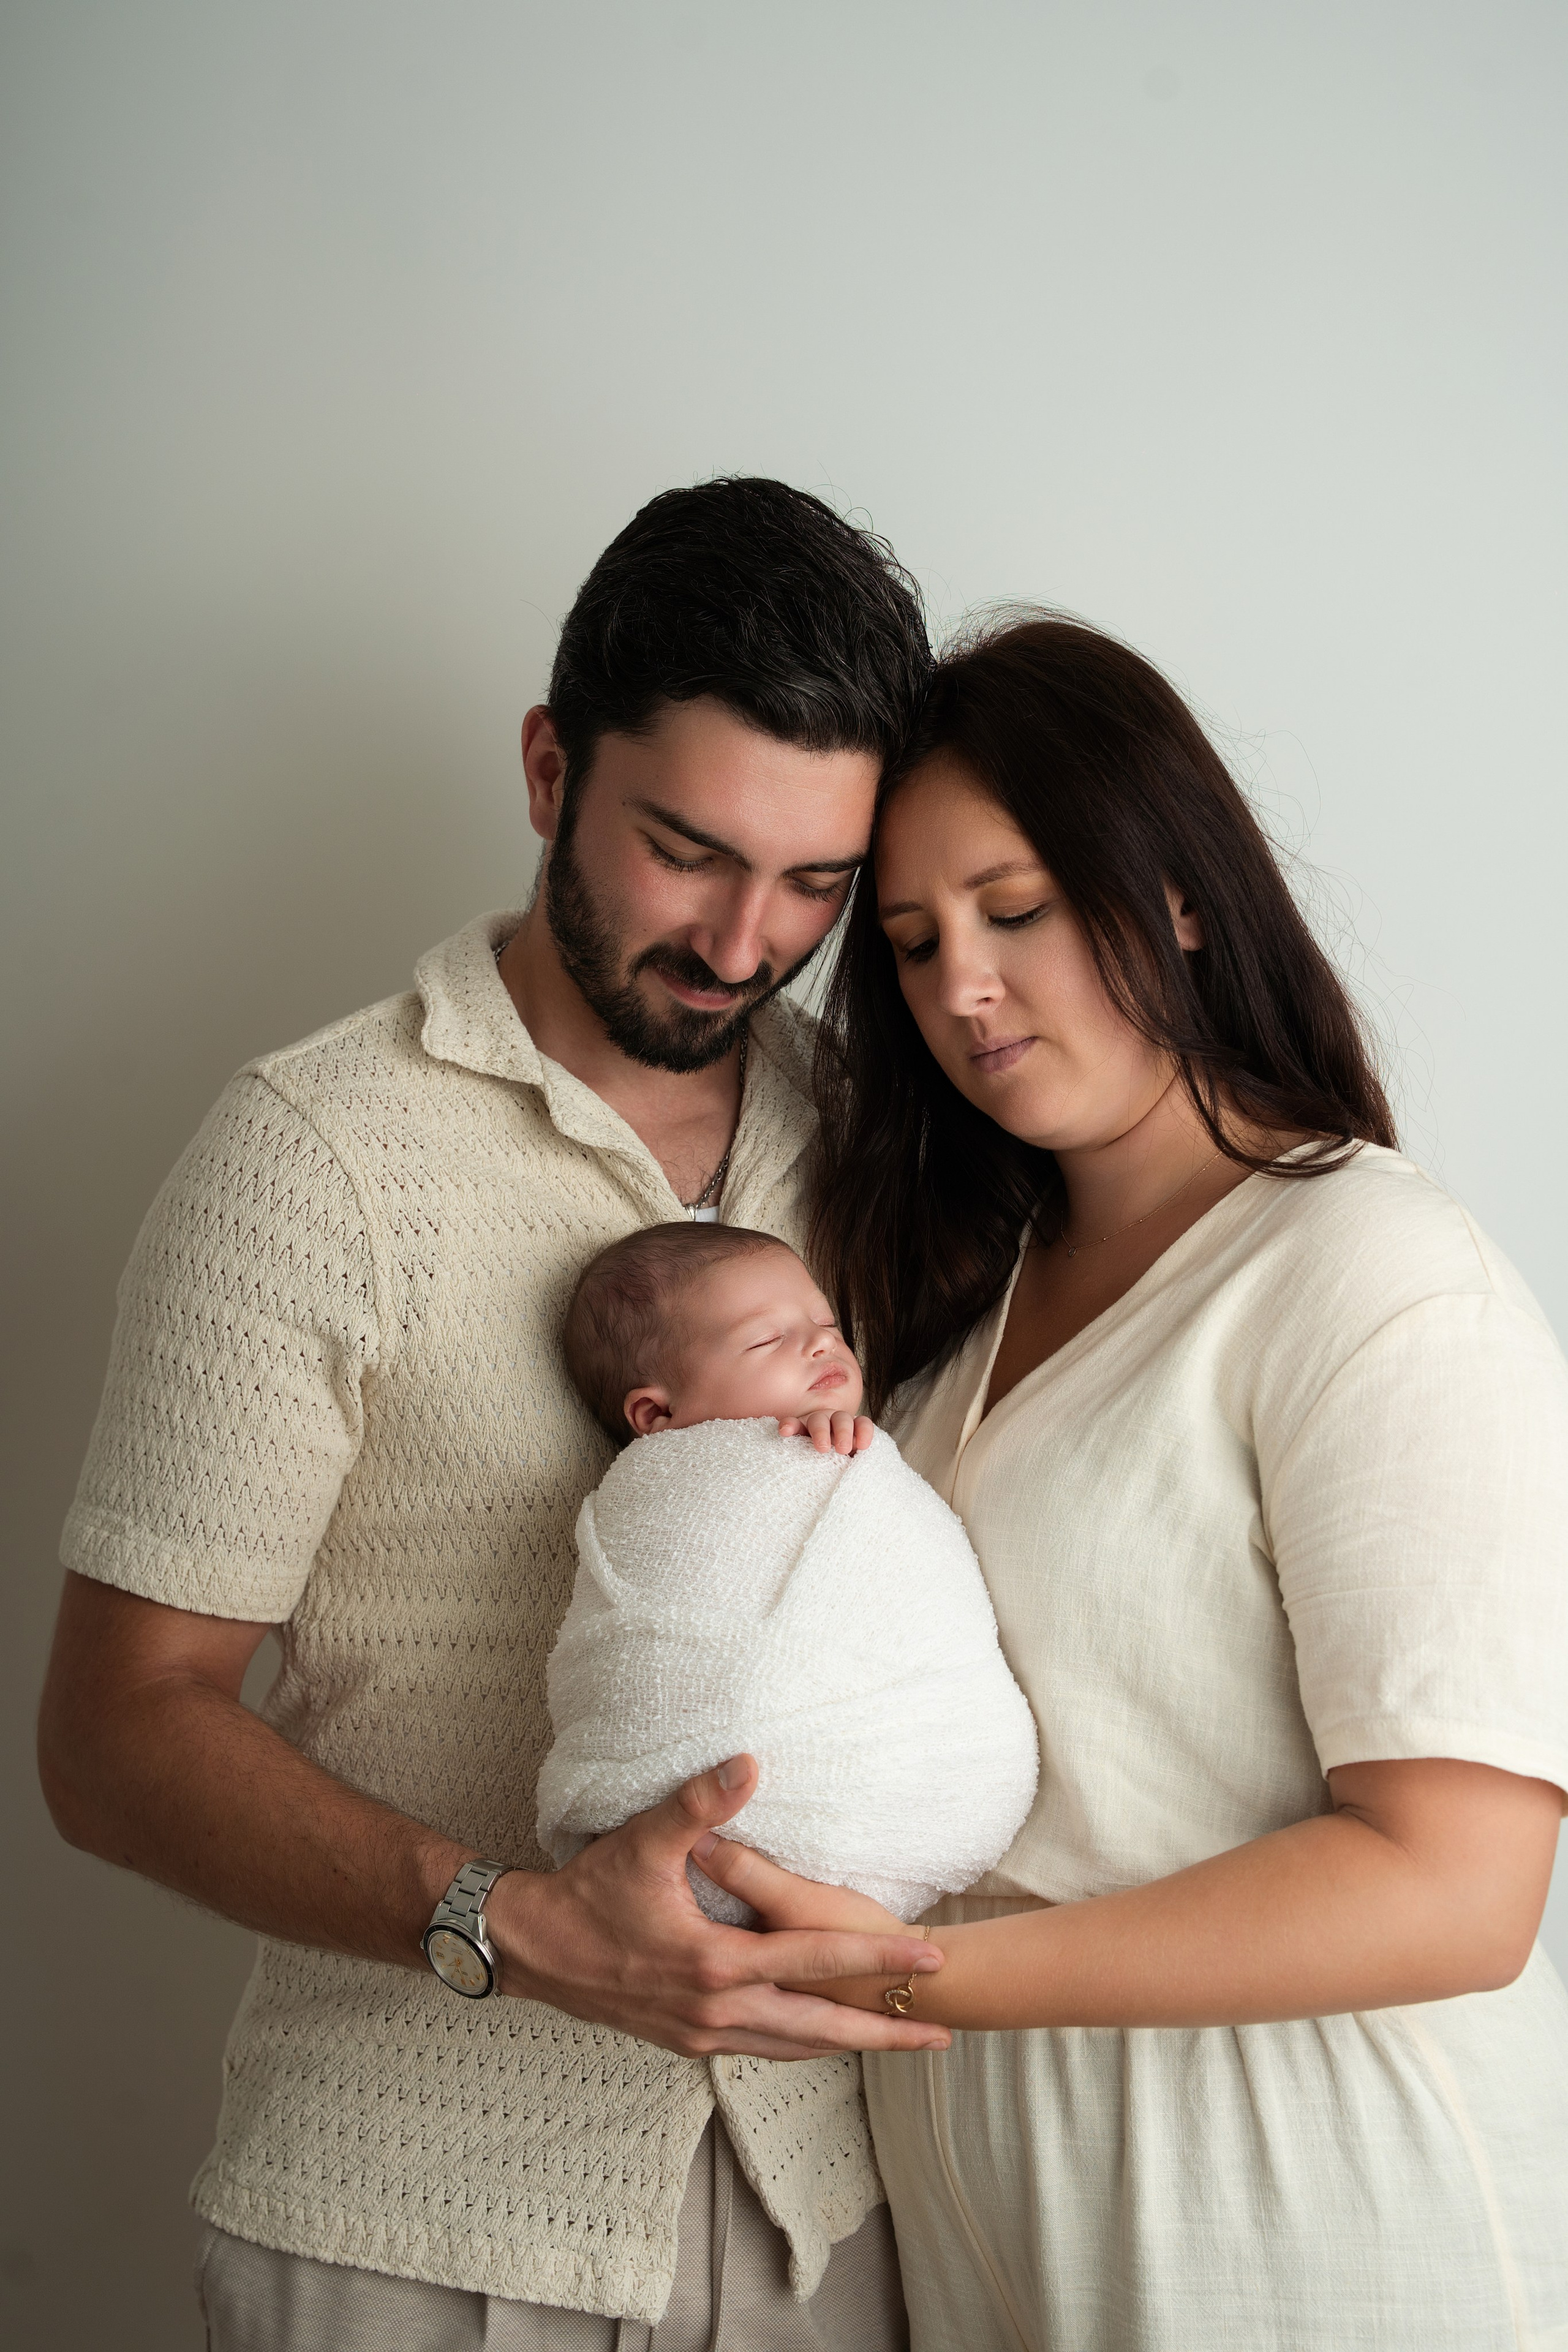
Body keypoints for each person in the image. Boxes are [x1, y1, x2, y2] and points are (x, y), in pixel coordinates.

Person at [36, 478, 950, 2351]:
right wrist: (512, 1923)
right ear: (549, 768)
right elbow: (112, 1733)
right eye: (684, 849)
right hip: (410, 2227)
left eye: (814, 885)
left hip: (830, 2213)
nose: (740, 938)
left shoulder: (875, 1133)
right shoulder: (311, 1157)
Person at [695, 613, 1568, 2350]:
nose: (961, 989)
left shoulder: (1372, 1274)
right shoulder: (948, 1325)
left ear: (1174, 892)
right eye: (917, 941)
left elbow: (1465, 1885)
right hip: (1000, 2233)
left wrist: (914, 1972)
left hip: (1302, 2215)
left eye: (1014, 913)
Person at [538, 1221, 1037, 1924]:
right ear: (656, 1414)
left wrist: (849, 1453)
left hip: (898, 1800)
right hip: (710, 1824)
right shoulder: (666, 1492)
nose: (822, 1343)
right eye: (766, 1339)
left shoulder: (837, 1455)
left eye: (827, 1325)